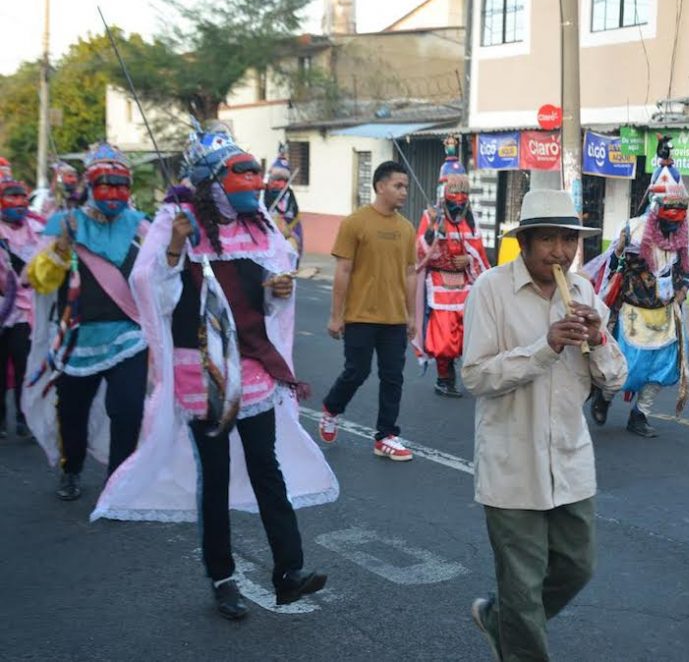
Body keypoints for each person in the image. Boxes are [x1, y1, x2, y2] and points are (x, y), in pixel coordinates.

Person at [92, 124, 338, 620]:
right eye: (237, 174)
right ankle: (223, 578)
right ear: (210, 181)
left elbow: (268, 291)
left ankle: (289, 572)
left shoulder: (258, 225)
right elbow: (151, 292)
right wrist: (174, 249)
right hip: (201, 372)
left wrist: (279, 290)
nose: (249, 182)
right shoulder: (176, 220)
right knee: (217, 477)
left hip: (254, 365)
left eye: (252, 172)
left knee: (267, 467)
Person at [462, 189, 628, 661]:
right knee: (521, 585)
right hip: (512, 462)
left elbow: (615, 379)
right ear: (525, 242)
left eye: (569, 240)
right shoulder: (490, 289)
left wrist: (598, 339)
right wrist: (546, 346)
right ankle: (517, 630)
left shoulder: (584, 291)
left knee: (577, 567)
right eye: (549, 240)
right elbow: (475, 377)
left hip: (570, 458)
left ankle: (503, 620)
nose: (560, 252)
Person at [23, 142, 149, 502]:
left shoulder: (141, 225)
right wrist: (61, 248)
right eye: (106, 184)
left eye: (122, 185)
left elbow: (162, 271)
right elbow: (38, 280)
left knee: (128, 409)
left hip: (129, 334)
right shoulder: (64, 222)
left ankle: (119, 481)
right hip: (77, 337)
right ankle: (71, 468)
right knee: (72, 412)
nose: (115, 193)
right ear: (90, 186)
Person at [586, 134, 689, 437]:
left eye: (680, 211)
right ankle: (605, 396)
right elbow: (613, 266)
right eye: (669, 209)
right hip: (633, 311)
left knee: (662, 369)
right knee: (624, 366)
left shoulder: (682, 236)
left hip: (666, 313)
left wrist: (683, 290)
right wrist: (620, 250)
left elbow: (687, 271)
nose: (675, 218)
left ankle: (640, 414)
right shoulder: (633, 230)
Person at [319, 161, 417, 461]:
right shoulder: (355, 223)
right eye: (398, 186)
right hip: (360, 316)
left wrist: (412, 315)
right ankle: (332, 408)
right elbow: (343, 271)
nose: (404, 192)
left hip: (394, 319)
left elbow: (410, 273)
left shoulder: (406, 228)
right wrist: (336, 315)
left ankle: (386, 436)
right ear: (380, 186)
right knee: (357, 371)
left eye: (405, 186)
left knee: (393, 377)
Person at [413, 136, 489, 398]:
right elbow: (420, 252)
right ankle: (443, 377)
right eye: (454, 193)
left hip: (465, 284)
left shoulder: (471, 220)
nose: (459, 199)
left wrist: (469, 260)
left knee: (469, 334)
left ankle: (461, 371)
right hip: (440, 284)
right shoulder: (431, 217)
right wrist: (434, 233)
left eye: (463, 194)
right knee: (444, 337)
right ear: (443, 192)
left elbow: (478, 252)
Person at [0, 177, 41, 437]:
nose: (18, 202)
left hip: (25, 310)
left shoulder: (37, 229)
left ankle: (25, 417)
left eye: (21, 196)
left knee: (24, 364)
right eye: (11, 197)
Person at [264, 145, 303, 261]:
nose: (278, 184)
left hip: (285, 242)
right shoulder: (261, 196)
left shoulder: (290, 200)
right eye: (275, 179)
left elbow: (296, 225)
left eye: (283, 180)